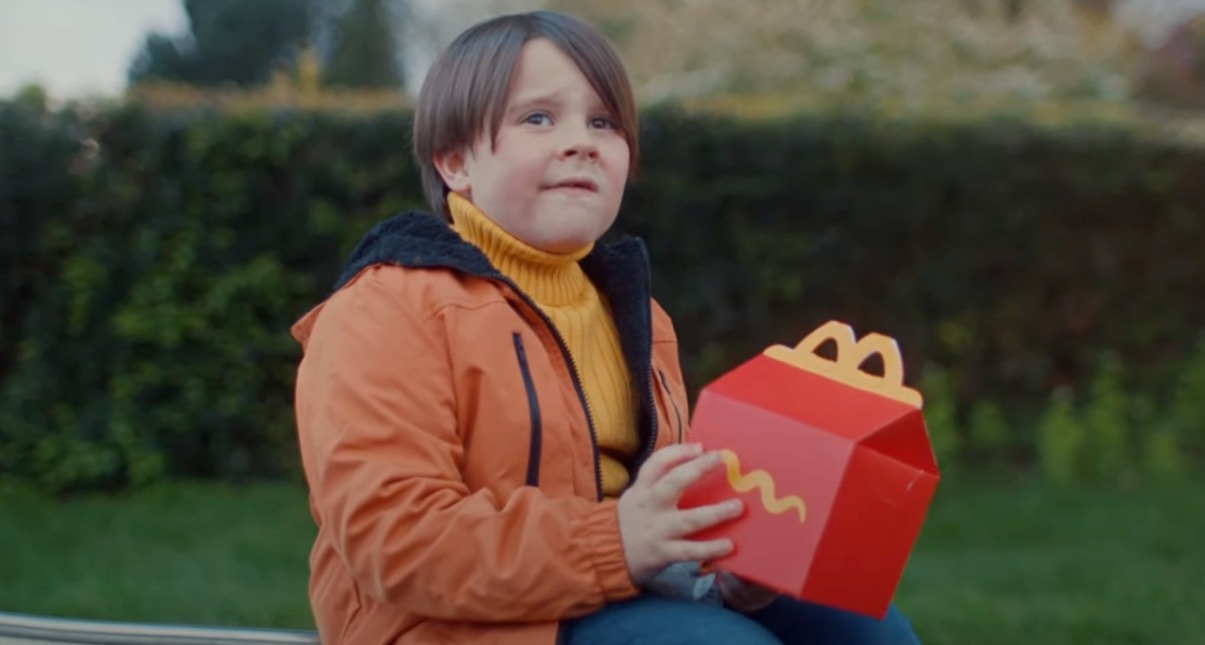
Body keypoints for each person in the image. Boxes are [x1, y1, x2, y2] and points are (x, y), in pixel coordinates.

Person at [291, 10, 923, 645]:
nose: (581, 141)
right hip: (452, 624)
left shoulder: (635, 313)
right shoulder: (386, 309)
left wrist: (728, 564)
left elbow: (652, 507)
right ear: (455, 162)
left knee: (868, 628)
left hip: (619, 586)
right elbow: (398, 540)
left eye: (603, 122)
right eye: (538, 118)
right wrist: (619, 539)